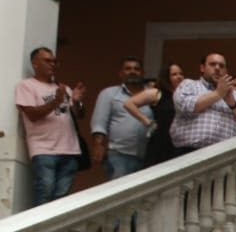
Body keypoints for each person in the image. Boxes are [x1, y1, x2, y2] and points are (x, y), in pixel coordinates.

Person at [15, 46, 85, 205]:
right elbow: (32, 115)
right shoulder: (26, 86)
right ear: (35, 63)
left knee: (61, 198)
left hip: (70, 149)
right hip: (44, 149)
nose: (52, 64)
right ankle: (37, 228)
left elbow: (79, 115)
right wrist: (56, 101)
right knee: (45, 190)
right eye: (47, 61)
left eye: (54, 62)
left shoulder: (63, 88)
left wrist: (78, 100)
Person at [171, 52, 236, 153]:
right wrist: (218, 94)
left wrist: (233, 104)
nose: (217, 68)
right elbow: (184, 105)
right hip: (190, 153)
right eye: (212, 64)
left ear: (226, 71)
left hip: (225, 157)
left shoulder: (235, 95)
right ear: (202, 68)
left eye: (221, 66)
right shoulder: (189, 84)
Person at [90, 56, 153, 179]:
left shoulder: (151, 95)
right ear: (120, 73)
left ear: (143, 73)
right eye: (128, 69)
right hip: (119, 155)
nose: (133, 71)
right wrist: (98, 145)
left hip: (147, 156)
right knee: (120, 193)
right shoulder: (109, 94)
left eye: (136, 69)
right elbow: (99, 122)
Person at [122, 61, 184, 167]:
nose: (179, 77)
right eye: (174, 74)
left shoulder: (184, 96)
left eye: (180, 74)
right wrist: (146, 121)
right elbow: (129, 104)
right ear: (166, 77)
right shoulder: (156, 93)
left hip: (178, 142)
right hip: (160, 141)